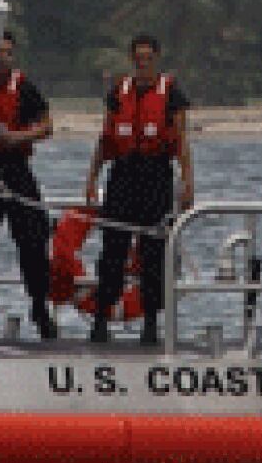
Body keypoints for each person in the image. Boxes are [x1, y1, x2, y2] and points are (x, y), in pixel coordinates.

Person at [79, 33, 193, 345]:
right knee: (112, 250)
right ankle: (101, 318)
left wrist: (187, 182)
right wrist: (91, 180)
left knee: (153, 252)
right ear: (132, 60)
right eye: (138, 59)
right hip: (123, 176)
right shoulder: (119, 92)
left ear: (156, 60)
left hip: (156, 175)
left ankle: (151, 322)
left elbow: (181, 141)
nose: (143, 64)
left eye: (148, 59)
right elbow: (105, 140)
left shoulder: (171, 94)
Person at [0, 30, 59, 340]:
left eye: (7, 53)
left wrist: (19, 137)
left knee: (33, 237)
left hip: (15, 168)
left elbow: (47, 124)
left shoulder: (22, 88)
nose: (1, 58)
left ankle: (39, 305)